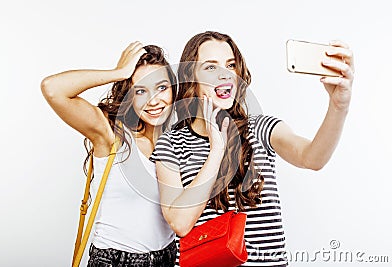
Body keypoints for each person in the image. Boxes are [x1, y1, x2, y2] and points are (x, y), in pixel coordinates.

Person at [150, 31, 354, 266]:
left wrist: (339, 106)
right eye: (210, 67)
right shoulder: (171, 143)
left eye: (230, 65)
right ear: (190, 77)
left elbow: (312, 158)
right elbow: (180, 222)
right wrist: (216, 151)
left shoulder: (260, 128)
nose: (225, 75)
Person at [41, 42, 177, 266]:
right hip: (117, 260)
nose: (153, 101)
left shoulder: (175, 139)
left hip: (169, 257)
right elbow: (52, 88)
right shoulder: (111, 134)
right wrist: (118, 73)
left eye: (161, 87)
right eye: (141, 90)